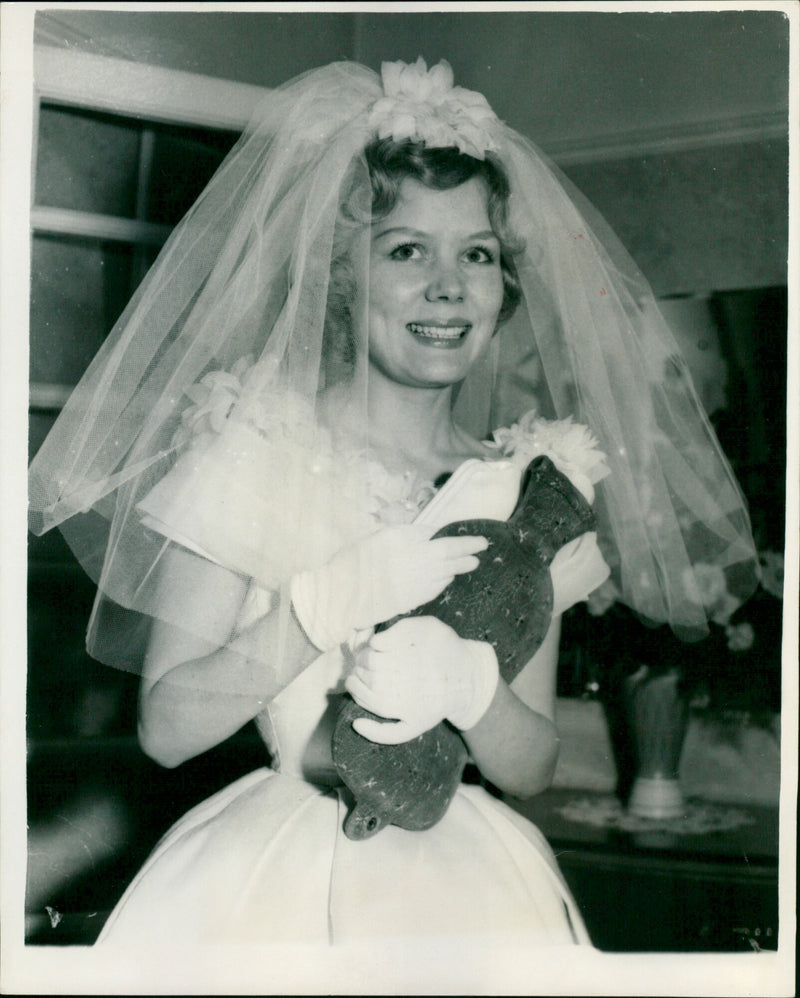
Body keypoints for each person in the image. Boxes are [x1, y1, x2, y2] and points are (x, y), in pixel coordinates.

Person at [28, 58, 758, 947]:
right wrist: (315, 611)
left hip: (474, 888)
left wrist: (473, 690)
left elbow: (531, 767)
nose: (447, 287)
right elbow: (165, 730)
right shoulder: (253, 449)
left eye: (477, 255)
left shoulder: (527, 484)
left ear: (504, 285)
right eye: (407, 249)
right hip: (276, 879)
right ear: (343, 277)